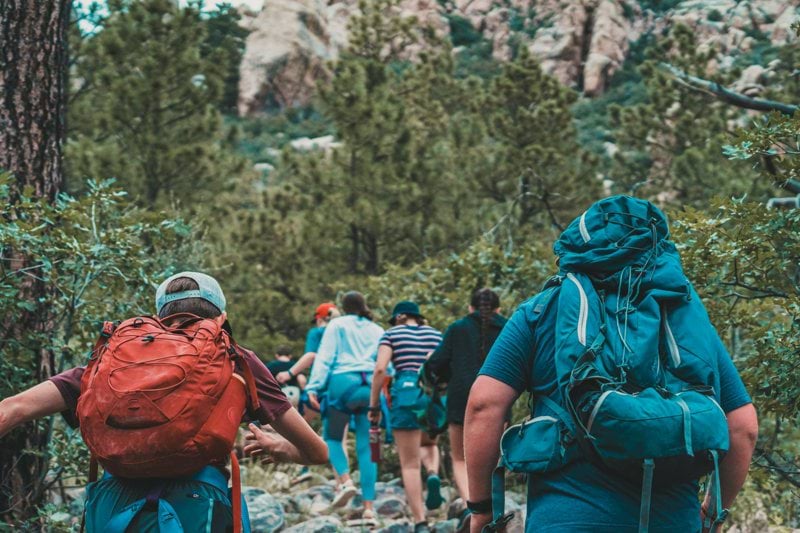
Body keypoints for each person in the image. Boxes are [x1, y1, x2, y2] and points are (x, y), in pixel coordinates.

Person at [464, 201, 759, 533]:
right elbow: (742, 427)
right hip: (672, 520)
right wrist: (711, 514)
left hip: (566, 519)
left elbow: (484, 405)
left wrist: (482, 511)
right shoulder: (683, 320)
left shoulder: (540, 312)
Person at [0, 272, 328, 532]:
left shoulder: (112, 360)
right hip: (197, 504)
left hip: (115, 505)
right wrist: (279, 448)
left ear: (158, 319)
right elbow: (317, 452)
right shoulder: (236, 360)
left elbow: (13, 409)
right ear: (222, 317)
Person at [305, 291, 384, 524]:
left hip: (343, 385)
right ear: (365, 306)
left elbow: (325, 357)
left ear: (343, 307)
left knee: (332, 437)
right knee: (369, 446)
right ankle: (369, 509)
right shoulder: (377, 329)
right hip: (370, 386)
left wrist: (314, 386)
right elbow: (384, 365)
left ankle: (346, 482)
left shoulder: (337, 325)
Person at [424, 288, 506, 506]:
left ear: (470, 308)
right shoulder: (508, 327)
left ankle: (473, 508)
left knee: (460, 458)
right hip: (500, 398)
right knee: (494, 459)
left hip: (461, 397)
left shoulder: (457, 328)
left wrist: (431, 360)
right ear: (499, 309)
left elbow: (436, 364)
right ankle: (493, 506)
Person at [368, 301, 444, 533]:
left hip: (405, 393)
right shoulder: (436, 334)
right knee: (429, 443)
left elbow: (381, 369)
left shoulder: (392, 334)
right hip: (433, 395)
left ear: (401, 316)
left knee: (409, 465)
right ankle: (432, 473)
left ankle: (420, 522)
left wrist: (374, 406)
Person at [277, 302, 340, 421]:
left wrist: (289, 373)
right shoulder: (342, 332)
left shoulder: (317, 332)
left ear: (319, 319)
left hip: (322, 381)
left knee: (305, 418)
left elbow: (311, 356)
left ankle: (296, 438)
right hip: (343, 379)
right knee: (338, 421)